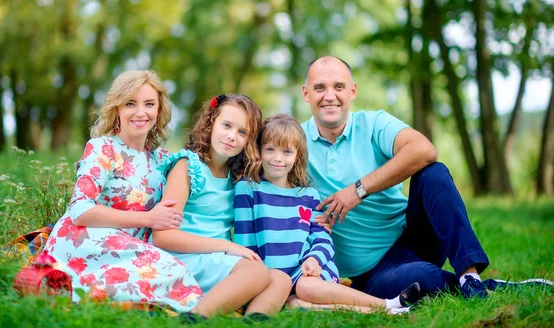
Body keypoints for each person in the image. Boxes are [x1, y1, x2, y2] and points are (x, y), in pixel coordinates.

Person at [301, 55, 497, 300]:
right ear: (306, 93)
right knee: (424, 279)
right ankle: (483, 286)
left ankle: (470, 276)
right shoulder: (294, 143)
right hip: (373, 272)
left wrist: (358, 190)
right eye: (320, 87)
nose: (330, 96)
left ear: (352, 91)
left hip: (413, 237)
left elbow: (424, 150)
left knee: (433, 172)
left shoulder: (373, 123)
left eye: (338, 87)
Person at [43, 70, 202, 311]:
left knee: (175, 269)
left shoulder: (164, 160)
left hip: (130, 247)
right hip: (87, 239)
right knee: (171, 270)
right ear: (117, 109)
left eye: (149, 104)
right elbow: (80, 210)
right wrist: (149, 218)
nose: (141, 113)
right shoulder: (101, 148)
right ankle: (64, 285)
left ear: (158, 110)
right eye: (130, 104)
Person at [234, 113, 421, 313]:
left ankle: (386, 303)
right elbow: (245, 244)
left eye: (287, 152)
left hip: (307, 272)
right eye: (270, 149)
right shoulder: (248, 188)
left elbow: (322, 238)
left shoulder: (308, 195)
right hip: (270, 278)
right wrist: (255, 282)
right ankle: (391, 310)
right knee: (294, 305)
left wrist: (315, 259)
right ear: (259, 151)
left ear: (297, 155)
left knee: (306, 287)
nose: (277, 158)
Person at [151, 94, 292, 321]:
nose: (231, 137)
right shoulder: (187, 167)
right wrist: (226, 247)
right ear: (210, 123)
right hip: (183, 257)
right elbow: (162, 236)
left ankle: (253, 320)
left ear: (249, 140)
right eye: (226, 125)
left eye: (242, 132)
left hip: (214, 260)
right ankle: (195, 317)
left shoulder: (235, 177)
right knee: (255, 271)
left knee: (281, 279)